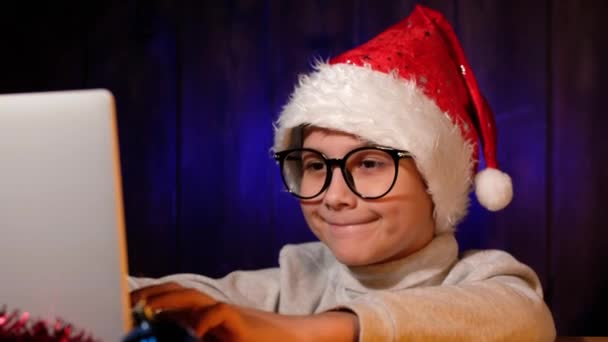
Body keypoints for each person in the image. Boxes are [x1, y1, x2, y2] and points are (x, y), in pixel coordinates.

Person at [129, 5, 556, 341]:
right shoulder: (301, 277)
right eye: (315, 166)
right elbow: (196, 296)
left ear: (434, 184)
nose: (334, 196)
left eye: (368, 164)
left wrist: (309, 332)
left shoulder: (482, 277)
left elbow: (522, 317)